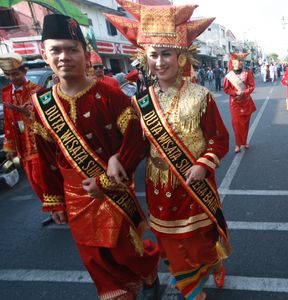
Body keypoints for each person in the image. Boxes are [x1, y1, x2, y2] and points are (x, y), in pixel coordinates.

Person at [106, 2, 231, 299]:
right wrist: (115, 158)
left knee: (199, 240)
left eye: (166, 54)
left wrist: (204, 163)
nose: (160, 62)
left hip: (195, 181)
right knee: (172, 243)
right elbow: (135, 146)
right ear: (144, 59)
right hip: (159, 185)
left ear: (181, 56)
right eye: (153, 55)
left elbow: (219, 139)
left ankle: (212, 261)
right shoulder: (140, 103)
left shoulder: (201, 96)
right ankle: (193, 290)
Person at [32, 14, 160, 299]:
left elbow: (138, 138)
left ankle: (148, 269)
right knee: (95, 259)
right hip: (75, 196)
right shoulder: (42, 106)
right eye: (56, 50)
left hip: (112, 189)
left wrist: (115, 165)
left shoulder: (109, 95)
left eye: (72, 49)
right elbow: (46, 157)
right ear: (44, 54)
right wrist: (52, 199)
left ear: (85, 54)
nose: (64, 56)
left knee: (126, 251)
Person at [0, 53, 43, 200]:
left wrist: (28, 113)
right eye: (8, 75)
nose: (12, 78)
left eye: (15, 74)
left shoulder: (37, 91)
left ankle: (57, 208)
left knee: (41, 177)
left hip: (37, 142)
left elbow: (45, 119)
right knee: (32, 179)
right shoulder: (6, 93)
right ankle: (51, 209)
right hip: (21, 144)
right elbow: (7, 121)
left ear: (24, 72)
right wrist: (9, 147)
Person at [224, 52, 257, 153]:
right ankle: (238, 144)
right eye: (238, 60)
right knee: (236, 123)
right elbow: (226, 89)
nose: (240, 62)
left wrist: (244, 92)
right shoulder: (229, 76)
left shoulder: (247, 73)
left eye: (241, 60)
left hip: (245, 101)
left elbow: (252, 86)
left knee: (245, 123)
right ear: (233, 62)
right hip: (235, 102)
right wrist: (236, 92)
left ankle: (244, 141)